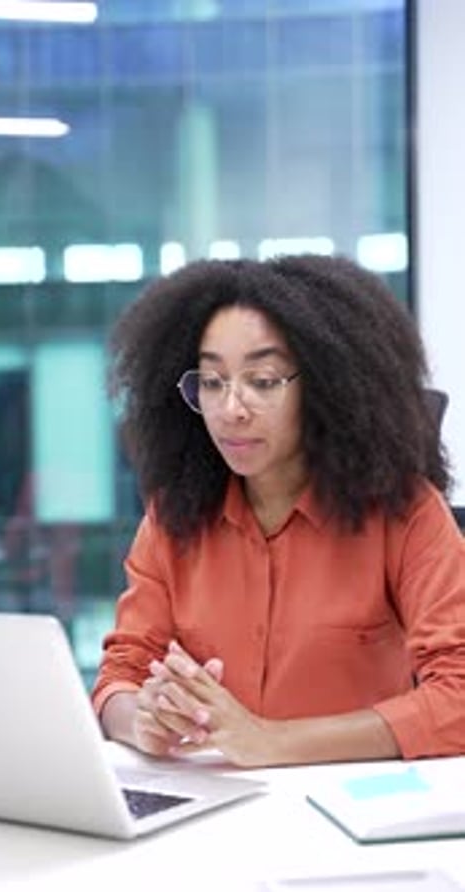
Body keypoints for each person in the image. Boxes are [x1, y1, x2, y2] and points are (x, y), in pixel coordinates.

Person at [91, 254, 465, 768]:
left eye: (263, 381)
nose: (230, 409)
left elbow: (459, 697)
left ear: (328, 388)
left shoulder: (407, 515)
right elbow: (120, 674)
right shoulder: (173, 518)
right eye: (212, 381)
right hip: (214, 809)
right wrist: (143, 720)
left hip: (355, 815)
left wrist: (274, 742)